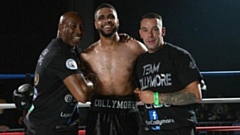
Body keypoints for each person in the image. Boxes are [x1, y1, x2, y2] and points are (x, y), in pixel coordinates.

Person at [18, 11, 94, 135]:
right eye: (73, 26)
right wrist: (94, 82)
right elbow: (83, 94)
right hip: (48, 128)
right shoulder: (60, 54)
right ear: (60, 28)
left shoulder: (69, 50)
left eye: (82, 27)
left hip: (56, 125)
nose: (79, 31)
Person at [80, 3, 147, 135]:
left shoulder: (134, 48)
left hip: (127, 112)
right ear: (96, 24)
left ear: (117, 21)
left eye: (111, 17)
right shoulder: (87, 55)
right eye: (101, 18)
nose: (107, 21)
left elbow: (154, 63)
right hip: (99, 113)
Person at [133, 12, 206, 135]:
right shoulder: (139, 62)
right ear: (140, 33)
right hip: (150, 128)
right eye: (145, 30)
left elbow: (195, 95)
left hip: (178, 128)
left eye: (154, 29)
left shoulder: (179, 56)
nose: (150, 35)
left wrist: (155, 98)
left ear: (163, 31)